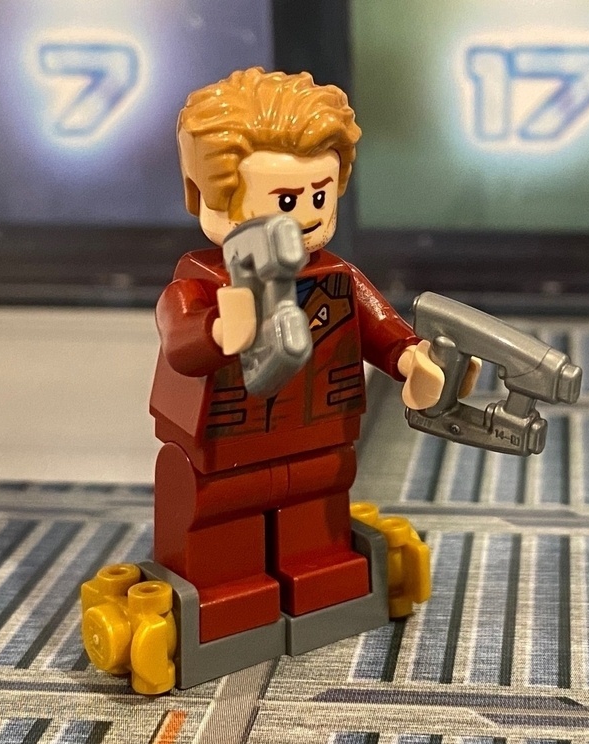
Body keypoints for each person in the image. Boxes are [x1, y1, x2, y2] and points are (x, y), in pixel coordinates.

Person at [149, 68, 454, 643]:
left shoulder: (338, 276)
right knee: (220, 523)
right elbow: (181, 342)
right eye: (287, 200)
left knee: (315, 512)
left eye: (320, 195)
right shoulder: (200, 285)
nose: (309, 214)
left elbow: (380, 327)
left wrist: (411, 360)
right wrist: (221, 329)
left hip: (321, 434)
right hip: (225, 447)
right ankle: (224, 595)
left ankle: (321, 576)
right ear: (205, 195)